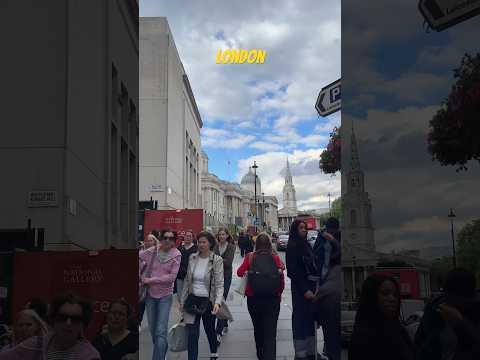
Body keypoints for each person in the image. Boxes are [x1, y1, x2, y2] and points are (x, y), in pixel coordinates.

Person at [0, 294, 100, 359]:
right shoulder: (35, 345)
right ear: (53, 320)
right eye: (62, 317)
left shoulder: (90, 356)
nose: (68, 323)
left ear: (84, 324)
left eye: (75, 319)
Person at [237, 232, 285, 360]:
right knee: (271, 332)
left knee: (258, 329)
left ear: (256, 244)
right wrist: (278, 294)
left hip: (254, 299)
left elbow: (239, 272)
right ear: (270, 244)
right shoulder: (275, 257)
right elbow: (281, 280)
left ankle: (260, 354)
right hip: (272, 300)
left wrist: (250, 271)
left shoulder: (250, 256)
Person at [415, 268, 480, 360]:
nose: (449, 303)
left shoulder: (475, 311)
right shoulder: (434, 311)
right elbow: (421, 345)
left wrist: (461, 322)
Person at [348, 274, 415, 360]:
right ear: (371, 297)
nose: (392, 299)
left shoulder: (399, 330)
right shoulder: (363, 336)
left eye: (395, 294)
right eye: (385, 294)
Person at [180, 231, 224, 360]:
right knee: (192, 334)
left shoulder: (216, 260)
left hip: (208, 301)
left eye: (204, 242)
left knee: (209, 329)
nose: (201, 244)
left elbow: (219, 283)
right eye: (199, 242)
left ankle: (214, 351)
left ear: (210, 244)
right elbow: (188, 281)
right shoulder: (192, 257)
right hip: (192, 299)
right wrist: (182, 301)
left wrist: (217, 302)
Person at [139, 229, 181, 360]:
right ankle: (162, 351)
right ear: (161, 239)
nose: (168, 240)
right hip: (150, 295)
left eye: (171, 238)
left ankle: (158, 357)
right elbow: (138, 258)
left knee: (160, 330)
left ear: (174, 241)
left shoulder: (176, 254)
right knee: (153, 330)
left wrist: (150, 280)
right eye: (165, 238)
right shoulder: (152, 251)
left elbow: (172, 277)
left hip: (165, 296)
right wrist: (140, 276)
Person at [286, 219, 321, 360]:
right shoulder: (293, 246)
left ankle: (312, 350)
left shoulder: (306, 245)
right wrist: (304, 289)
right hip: (301, 289)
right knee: (300, 319)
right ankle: (301, 353)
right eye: (301, 227)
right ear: (295, 229)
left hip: (312, 287)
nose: (304, 230)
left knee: (311, 318)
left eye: (305, 228)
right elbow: (292, 271)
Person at [311, 217, 342, 360]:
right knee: (328, 320)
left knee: (332, 324)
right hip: (323, 278)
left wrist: (334, 241)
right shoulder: (321, 238)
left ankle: (329, 349)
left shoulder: (338, 237)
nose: (332, 232)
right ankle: (328, 349)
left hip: (332, 280)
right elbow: (316, 255)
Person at [213, 228, 236, 342]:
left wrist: (215, 259)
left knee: (221, 300)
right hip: (216, 276)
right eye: (220, 234)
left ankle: (218, 330)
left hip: (226, 276)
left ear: (227, 235)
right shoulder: (215, 246)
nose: (221, 236)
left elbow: (228, 262)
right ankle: (225, 321)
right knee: (219, 301)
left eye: (223, 234)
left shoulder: (231, 247)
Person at [138, 233, 160, 325]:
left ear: (155, 242)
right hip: (143, 282)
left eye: (151, 240)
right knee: (141, 303)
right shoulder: (141, 253)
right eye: (147, 240)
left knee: (153, 304)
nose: (149, 242)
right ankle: (138, 322)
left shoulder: (159, 254)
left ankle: (155, 321)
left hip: (154, 283)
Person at [177, 230, 198, 303]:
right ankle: (182, 310)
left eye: (190, 236)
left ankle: (187, 312)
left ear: (192, 238)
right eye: (186, 236)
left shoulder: (196, 249)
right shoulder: (180, 248)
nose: (188, 238)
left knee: (189, 296)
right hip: (180, 276)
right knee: (180, 296)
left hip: (191, 277)